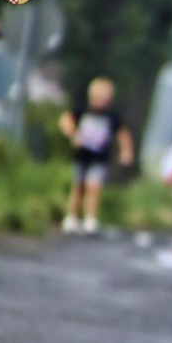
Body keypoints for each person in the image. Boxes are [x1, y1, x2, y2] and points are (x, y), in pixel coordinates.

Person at [60, 77, 134, 235]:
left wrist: (126, 151)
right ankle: (71, 217)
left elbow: (122, 134)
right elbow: (66, 120)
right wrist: (73, 134)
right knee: (78, 186)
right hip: (81, 155)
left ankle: (90, 219)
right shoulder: (83, 110)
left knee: (94, 187)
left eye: (103, 98)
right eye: (97, 97)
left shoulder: (111, 116)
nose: (100, 101)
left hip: (100, 158)